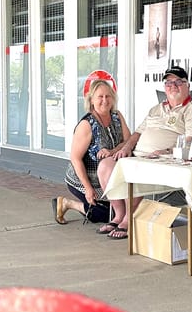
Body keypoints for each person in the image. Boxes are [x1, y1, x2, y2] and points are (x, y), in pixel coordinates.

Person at [110, 65, 192, 241]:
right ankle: (119, 214)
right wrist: (125, 147)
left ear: (187, 85)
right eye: (169, 82)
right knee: (105, 166)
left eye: (178, 81)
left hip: (162, 159)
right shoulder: (156, 109)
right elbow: (137, 133)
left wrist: (165, 151)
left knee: (134, 169)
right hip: (137, 154)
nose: (173, 85)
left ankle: (128, 220)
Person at [54, 79, 133, 237]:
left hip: (110, 177)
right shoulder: (86, 124)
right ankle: (67, 203)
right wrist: (88, 189)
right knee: (105, 214)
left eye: (108, 96)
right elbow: (75, 158)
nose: (105, 100)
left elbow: (128, 141)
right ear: (91, 100)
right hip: (85, 180)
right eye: (100, 97)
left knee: (124, 209)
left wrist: (112, 151)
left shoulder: (117, 116)